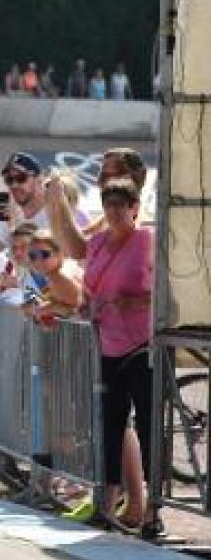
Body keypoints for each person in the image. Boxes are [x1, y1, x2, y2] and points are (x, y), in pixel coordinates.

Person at [79, 178, 158, 536]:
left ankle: (152, 508)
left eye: (120, 205)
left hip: (142, 344)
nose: (114, 211)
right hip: (107, 342)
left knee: (147, 425)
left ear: (134, 208)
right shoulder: (96, 242)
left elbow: (165, 290)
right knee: (110, 424)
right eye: (108, 204)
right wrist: (87, 304)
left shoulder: (147, 240)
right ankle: (107, 504)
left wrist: (137, 301)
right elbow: (89, 286)